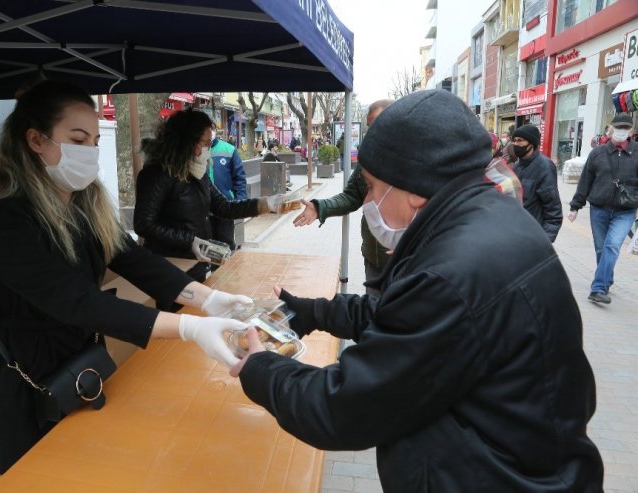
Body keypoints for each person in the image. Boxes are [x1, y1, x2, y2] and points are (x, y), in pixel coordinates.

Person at [229, 89, 603, 492]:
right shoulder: (487, 220)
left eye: (372, 187)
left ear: (414, 189)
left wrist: (260, 369)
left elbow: (347, 408)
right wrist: (312, 312)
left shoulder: (454, 271)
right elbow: (406, 325)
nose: (369, 200)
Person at [0, 80, 251, 474]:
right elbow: (77, 301)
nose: (91, 152)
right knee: (38, 477)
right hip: (19, 384)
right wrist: (189, 329)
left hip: (77, 366)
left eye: (95, 140)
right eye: (78, 139)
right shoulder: (5, 222)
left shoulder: (82, 206)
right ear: (35, 140)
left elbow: (133, 257)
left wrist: (205, 298)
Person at [134, 109, 284, 290]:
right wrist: (189, 241)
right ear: (188, 142)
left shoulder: (198, 171)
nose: (208, 148)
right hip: (170, 268)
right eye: (206, 143)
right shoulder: (156, 173)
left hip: (198, 263)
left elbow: (224, 207)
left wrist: (265, 204)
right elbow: (143, 224)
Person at [293, 100, 392, 296]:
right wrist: (319, 206)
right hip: (373, 258)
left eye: (378, 124)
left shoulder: (417, 158)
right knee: (373, 313)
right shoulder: (368, 159)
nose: (373, 132)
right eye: (370, 126)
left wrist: (413, 241)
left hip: (404, 262)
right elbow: (352, 196)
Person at [568, 113, 638, 304]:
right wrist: (575, 206)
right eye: (618, 128)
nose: (622, 132)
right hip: (599, 209)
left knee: (612, 246)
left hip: (626, 211)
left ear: (631, 131)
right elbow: (585, 181)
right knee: (601, 249)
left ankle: (598, 288)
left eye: (626, 128)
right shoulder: (597, 153)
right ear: (611, 129)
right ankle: (607, 277)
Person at [510, 124, 563, 242]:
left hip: (533, 236)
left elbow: (553, 209)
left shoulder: (544, 167)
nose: (515, 144)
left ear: (532, 144)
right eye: (514, 140)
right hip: (515, 233)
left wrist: (545, 240)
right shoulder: (517, 167)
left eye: (520, 140)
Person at [208, 123, 247, 249]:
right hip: (202, 209)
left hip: (225, 206)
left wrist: (240, 202)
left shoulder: (229, 150)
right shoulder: (195, 149)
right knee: (207, 248)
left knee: (225, 245)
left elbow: (240, 179)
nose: (210, 132)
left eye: (212, 128)